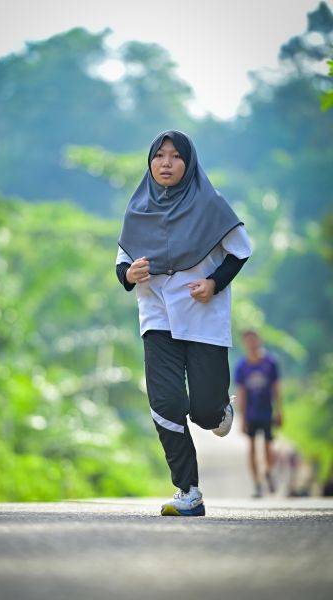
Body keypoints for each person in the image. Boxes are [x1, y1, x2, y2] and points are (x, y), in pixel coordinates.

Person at [115, 130, 252, 517]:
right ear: (150, 162)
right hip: (156, 316)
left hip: (203, 316)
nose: (166, 163)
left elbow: (239, 251)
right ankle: (188, 491)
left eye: (176, 156)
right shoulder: (138, 207)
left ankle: (219, 410)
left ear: (188, 163)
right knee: (166, 403)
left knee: (205, 412)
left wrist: (213, 283)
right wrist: (130, 275)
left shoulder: (211, 203)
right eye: (159, 155)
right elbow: (122, 263)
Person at [235, 330, 283, 498]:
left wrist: (279, 411)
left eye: (253, 340)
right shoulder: (242, 366)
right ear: (244, 343)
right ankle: (256, 484)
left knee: (269, 446)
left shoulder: (270, 362)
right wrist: (242, 418)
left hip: (267, 411)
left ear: (259, 340)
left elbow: (276, 388)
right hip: (251, 413)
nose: (251, 343)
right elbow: (241, 392)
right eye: (247, 341)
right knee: (252, 447)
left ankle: (268, 471)